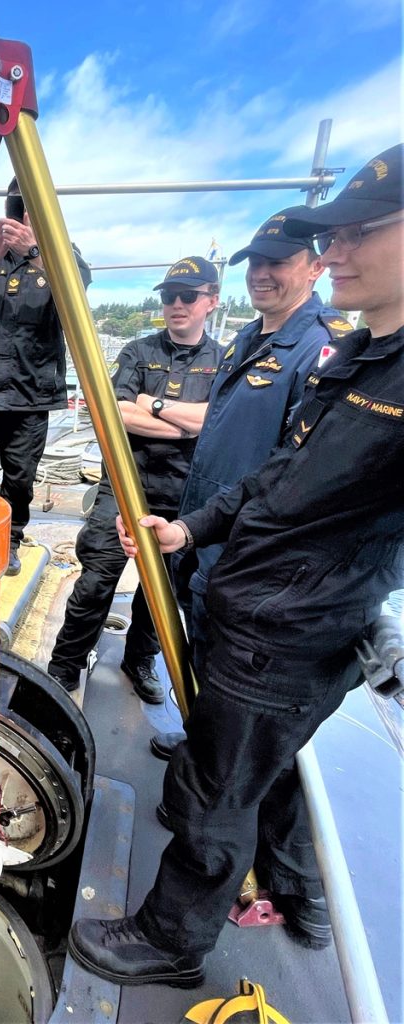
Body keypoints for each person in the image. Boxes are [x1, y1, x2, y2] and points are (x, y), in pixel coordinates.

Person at [68, 143, 404, 987]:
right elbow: (276, 474)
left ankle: (170, 942)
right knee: (254, 763)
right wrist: (192, 530)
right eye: (331, 235)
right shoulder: (356, 357)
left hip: (289, 626)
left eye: (362, 233)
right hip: (246, 591)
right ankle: (297, 891)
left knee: (223, 790)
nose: (337, 253)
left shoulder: (336, 353)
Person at [151, 209, 350, 761]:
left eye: (278, 262)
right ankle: (198, 744)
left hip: (247, 544)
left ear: (313, 267)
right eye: (255, 263)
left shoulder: (323, 348)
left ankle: (206, 778)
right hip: (205, 525)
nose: (262, 274)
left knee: (229, 674)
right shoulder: (246, 337)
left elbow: (297, 469)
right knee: (202, 654)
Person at [46, 257, 221, 700]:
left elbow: (213, 420)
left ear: (212, 302)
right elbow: (117, 412)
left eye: (188, 296)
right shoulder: (138, 352)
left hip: (185, 498)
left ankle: (138, 660)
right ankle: (63, 667)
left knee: (161, 590)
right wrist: (188, 424)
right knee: (96, 580)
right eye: (168, 297)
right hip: (125, 489)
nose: (176, 304)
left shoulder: (225, 359)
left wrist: (155, 405)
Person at [0, 178, 90, 576]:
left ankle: (8, 541)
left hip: (30, 396)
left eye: (33, 208)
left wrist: (34, 252)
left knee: (19, 479)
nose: (24, 215)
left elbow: (76, 290)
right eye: (20, 208)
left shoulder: (62, 257)